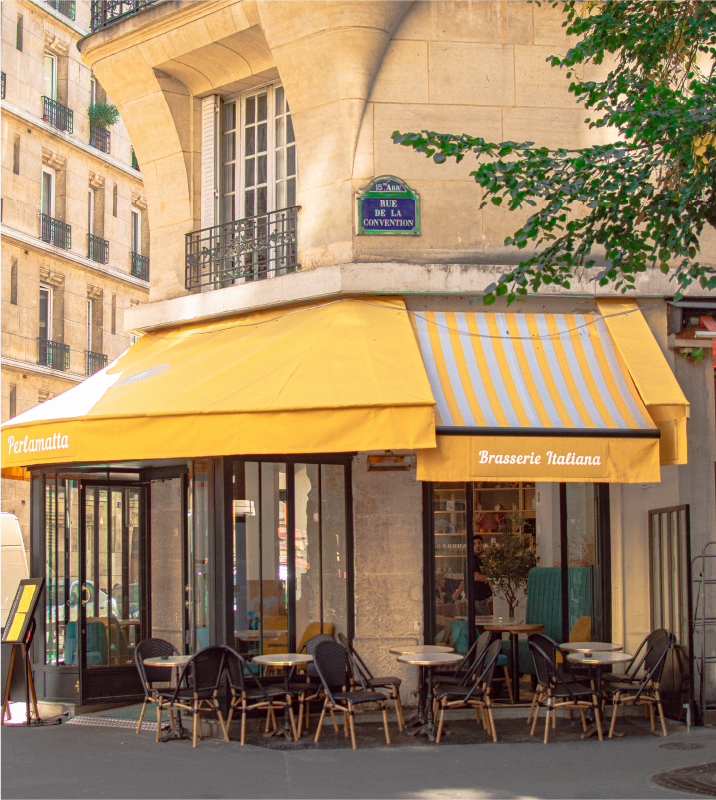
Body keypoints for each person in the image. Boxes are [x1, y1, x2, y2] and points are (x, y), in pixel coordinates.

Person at [473, 535, 493, 616]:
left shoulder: (480, 561)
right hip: (478, 601)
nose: (477, 546)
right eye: (474, 544)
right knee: (486, 623)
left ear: (482, 544)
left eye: (479, 543)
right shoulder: (472, 559)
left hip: (481, 600)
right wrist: (490, 578)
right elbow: (476, 577)